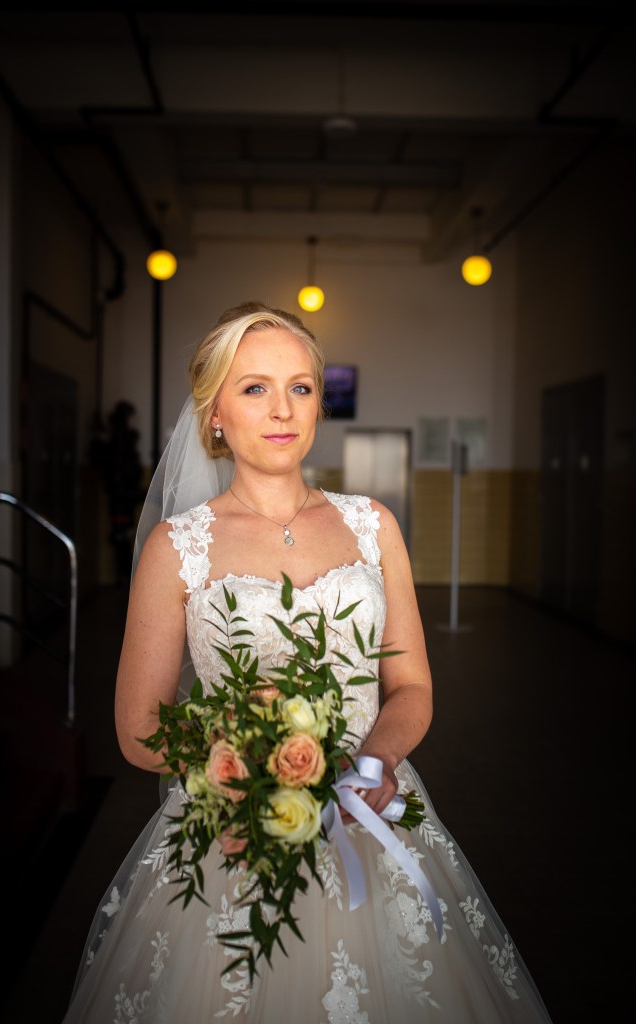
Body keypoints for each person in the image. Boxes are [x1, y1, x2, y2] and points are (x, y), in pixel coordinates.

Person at [62, 302, 552, 1022]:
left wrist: (374, 762)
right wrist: (250, 771)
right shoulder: (177, 547)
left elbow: (411, 685)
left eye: (300, 387)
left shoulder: (373, 526)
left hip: (369, 811)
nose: (282, 408)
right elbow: (139, 727)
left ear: (320, 401)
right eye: (254, 388)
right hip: (234, 826)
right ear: (215, 414)